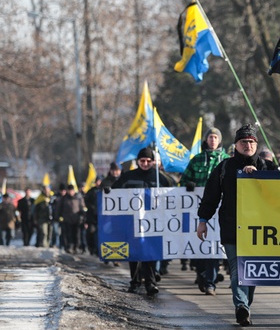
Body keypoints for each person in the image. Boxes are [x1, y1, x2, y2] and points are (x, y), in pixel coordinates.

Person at [197, 124, 278, 326]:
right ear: (236, 145)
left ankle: (245, 304)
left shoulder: (267, 167)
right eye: (244, 142)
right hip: (232, 225)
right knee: (237, 268)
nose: (248, 145)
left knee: (253, 269)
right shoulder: (224, 167)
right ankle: (241, 306)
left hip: (261, 229)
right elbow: (211, 196)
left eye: (251, 142)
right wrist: (203, 220)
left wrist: (259, 175)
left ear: (257, 145)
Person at [113, 146, 172, 296]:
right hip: (132, 221)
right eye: (142, 161)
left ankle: (150, 283)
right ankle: (135, 281)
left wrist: (189, 189)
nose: (145, 163)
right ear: (137, 161)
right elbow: (114, 192)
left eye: (148, 161)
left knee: (150, 253)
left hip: (154, 222)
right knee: (134, 253)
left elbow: (174, 193)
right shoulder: (128, 177)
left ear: (153, 161)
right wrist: (108, 190)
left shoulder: (160, 178)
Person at [180, 127, 230, 296]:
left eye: (216, 137)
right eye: (210, 137)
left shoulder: (226, 160)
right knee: (199, 245)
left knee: (214, 247)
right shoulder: (197, 159)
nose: (213, 140)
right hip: (198, 209)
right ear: (206, 140)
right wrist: (189, 185)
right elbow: (184, 180)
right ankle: (202, 274)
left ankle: (211, 282)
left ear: (220, 140)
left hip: (219, 209)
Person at [55, 184, 85, 254]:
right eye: (69, 191)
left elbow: (82, 208)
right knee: (68, 234)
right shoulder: (64, 199)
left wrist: (83, 216)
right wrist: (57, 217)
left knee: (77, 235)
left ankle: (76, 247)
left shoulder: (78, 198)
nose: (71, 192)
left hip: (77, 220)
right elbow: (59, 208)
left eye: (72, 191)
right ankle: (69, 247)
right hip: (67, 220)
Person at [84, 175, 103, 255]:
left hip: (102, 216)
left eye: (100, 181)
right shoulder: (91, 191)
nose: (98, 183)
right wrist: (92, 207)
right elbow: (86, 201)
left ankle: (98, 249)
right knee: (91, 233)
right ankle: (91, 248)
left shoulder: (104, 190)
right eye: (97, 181)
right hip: (92, 216)